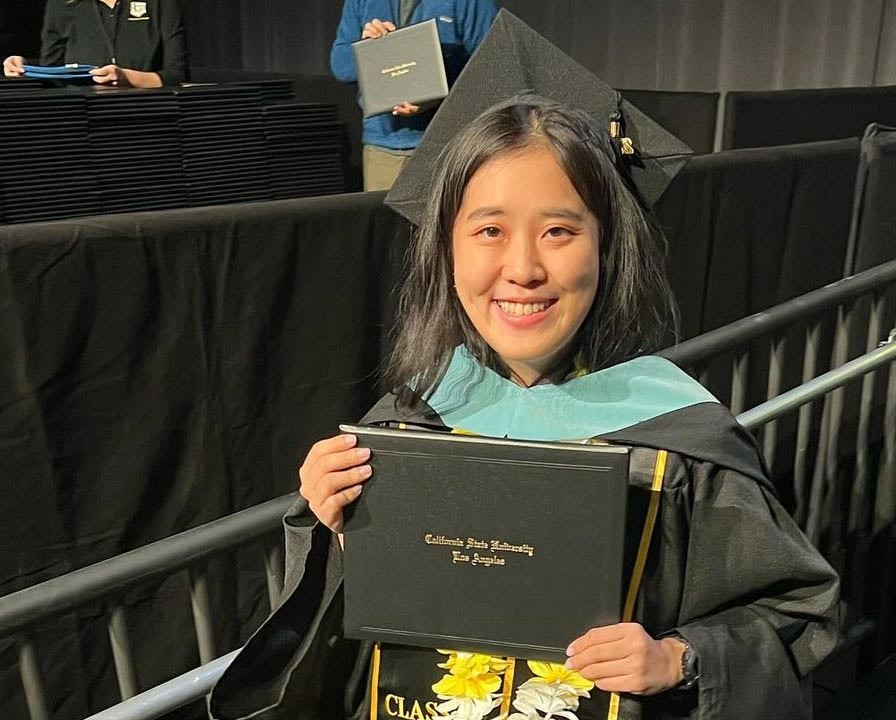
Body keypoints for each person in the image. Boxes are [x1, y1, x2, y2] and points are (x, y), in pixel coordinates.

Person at [205, 98, 840, 719]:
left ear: (608, 247)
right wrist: (334, 529)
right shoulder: (404, 422)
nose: (523, 268)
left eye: (559, 230)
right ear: (446, 252)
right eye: (489, 231)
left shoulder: (679, 443)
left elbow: (793, 611)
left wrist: (681, 659)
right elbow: (334, 651)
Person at [331, 0, 497, 191]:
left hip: (447, 147)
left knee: (441, 220)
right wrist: (368, 48)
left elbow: (492, 69)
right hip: (384, 149)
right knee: (386, 220)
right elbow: (342, 67)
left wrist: (439, 98)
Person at [2, 0, 187, 88]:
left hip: (146, 119)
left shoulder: (160, 3)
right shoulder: (61, 5)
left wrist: (126, 77)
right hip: (81, 125)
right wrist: (26, 70)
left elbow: (176, 75)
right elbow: (53, 77)